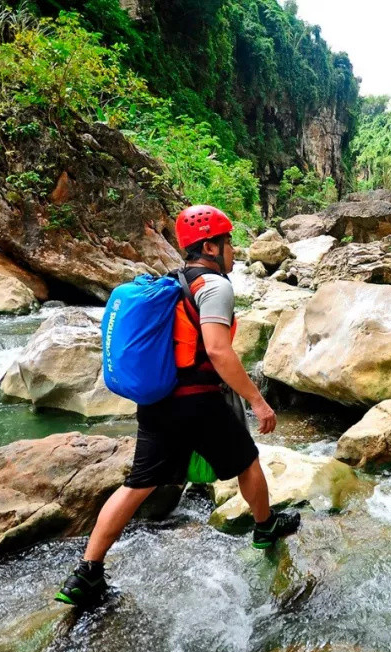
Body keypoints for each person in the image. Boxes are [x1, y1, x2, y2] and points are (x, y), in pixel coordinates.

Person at [56, 205, 301, 607]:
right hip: (198, 403)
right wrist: (258, 401)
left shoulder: (173, 282)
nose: (234, 251)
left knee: (137, 486)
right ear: (210, 245)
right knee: (247, 462)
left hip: (158, 403)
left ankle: (87, 572)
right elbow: (218, 352)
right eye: (228, 242)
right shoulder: (215, 287)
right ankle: (265, 527)